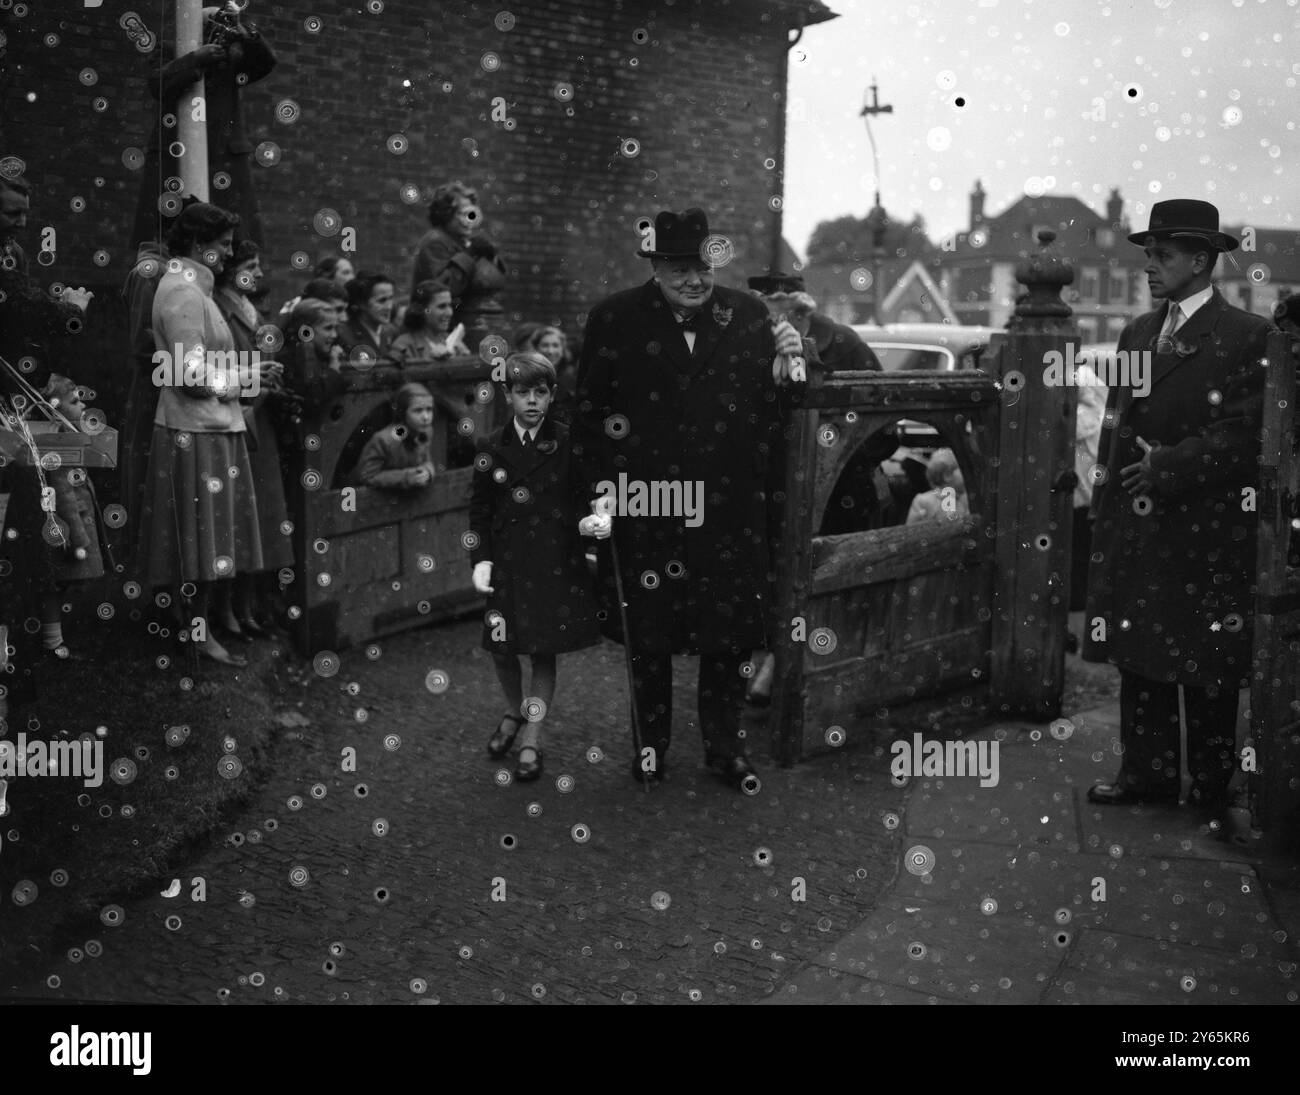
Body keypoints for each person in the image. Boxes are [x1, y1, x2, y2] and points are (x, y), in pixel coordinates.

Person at [573, 207, 805, 791]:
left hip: (730, 510)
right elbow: (591, 416)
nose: (695, 279)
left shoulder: (751, 315)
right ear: (656, 267)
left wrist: (792, 363)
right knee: (648, 638)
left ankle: (725, 750)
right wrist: (600, 495)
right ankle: (650, 747)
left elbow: (781, 413)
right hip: (646, 507)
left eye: (702, 266)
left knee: (727, 638)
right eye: (679, 268)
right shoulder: (615, 319)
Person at [1083, 200, 1273, 826]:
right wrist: (1107, 485)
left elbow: (1244, 436)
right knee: (1141, 655)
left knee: (1207, 665)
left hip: (1205, 530)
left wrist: (1170, 466)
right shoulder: (1139, 332)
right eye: (1149, 256)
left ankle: (1212, 787)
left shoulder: (1246, 336)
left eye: (1163, 256)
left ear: (1201, 260)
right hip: (1141, 524)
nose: (1151, 267)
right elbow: (1117, 420)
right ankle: (1146, 775)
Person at [133, 201, 263, 668]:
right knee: (201, 544)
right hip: (197, 431)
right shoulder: (185, 293)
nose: (229, 255)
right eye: (222, 246)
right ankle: (194, 633)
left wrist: (249, 372)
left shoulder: (193, 289)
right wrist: (245, 382)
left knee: (207, 542)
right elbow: (188, 374)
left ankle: (191, 629)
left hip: (207, 426)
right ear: (196, 245)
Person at [470, 352, 603, 781]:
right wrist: (482, 558)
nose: (532, 401)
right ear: (508, 396)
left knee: (543, 648)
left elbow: (587, 493)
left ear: (551, 396)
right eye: (523, 392)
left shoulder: (568, 441)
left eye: (540, 393)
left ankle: (533, 733)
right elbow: (480, 511)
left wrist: (592, 519)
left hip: (554, 559)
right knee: (503, 645)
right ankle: (512, 711)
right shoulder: (491, 446)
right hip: (509, 560)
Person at [129, 3, 276, 251]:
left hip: (223, 158)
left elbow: (266, 62)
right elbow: (158, 84)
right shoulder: (170, 50)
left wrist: (242, 31)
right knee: (169, 234)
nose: (217, 32)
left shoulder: (232, 58)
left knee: (230, 239)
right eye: (211, 25)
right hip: (175, 157)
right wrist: (195, 59)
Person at [213, 238, 292, 636]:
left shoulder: (250, 311)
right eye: (252, 265)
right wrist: (258, 385)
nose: (260, 273)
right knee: (239, 521)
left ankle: (249, 605)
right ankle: (230, 609)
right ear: (231, 270)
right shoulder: (222, 313)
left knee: (260, 521)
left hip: (260, 423)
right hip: (241, 422)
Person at [32, 376, 111, 660]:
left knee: (59, 585)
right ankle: (52, 641)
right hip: (68, 530)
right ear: (53, 411)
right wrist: (78, 538)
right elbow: (64, 498)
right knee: (55, 585)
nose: (84, 404)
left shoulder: (68, 441)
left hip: (74, 525)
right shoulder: (57, 448)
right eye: (75, 401)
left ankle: (50, 635)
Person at [410, 181, 507, 335]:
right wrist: (469, 254)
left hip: (464, 326)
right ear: (446, 214)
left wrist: (490, 256)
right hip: (438, 331)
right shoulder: (435, 241)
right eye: (463, 214)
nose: (470, 220)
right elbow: (443, 289)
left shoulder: (462, 242)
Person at [748, 270, 882, 373]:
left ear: (801, 312)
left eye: (776, 317)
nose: (770, 325)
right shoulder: (753, 346)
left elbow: (880, 390)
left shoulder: (845, 343)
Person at [354, 382, 437, 489]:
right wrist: (405, 477)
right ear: (402, 413)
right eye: (418, 410)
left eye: (429, 409)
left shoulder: (426, 432)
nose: (426, 417)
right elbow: (366, 476)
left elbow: (426, 460)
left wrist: (427, 471)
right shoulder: (384, 440)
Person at [390, 281, 462, 364]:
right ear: (421, 310)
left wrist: (463, 357)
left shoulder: (451, 340)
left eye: (450, 306)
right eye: (442, 306)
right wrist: (429, 359)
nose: (449, 312)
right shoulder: (403, 345)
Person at [338, 273, 397, 361]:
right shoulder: (343, 335)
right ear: (362, 303)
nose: (389, 307)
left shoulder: (391, 332)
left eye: (391, 299)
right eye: (382, 300)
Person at [905, 448, 970, 524]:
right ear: (947, 475)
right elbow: (911, 531)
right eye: (962, 469)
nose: (968, 475)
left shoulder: (966, 499)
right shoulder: (924, 501)